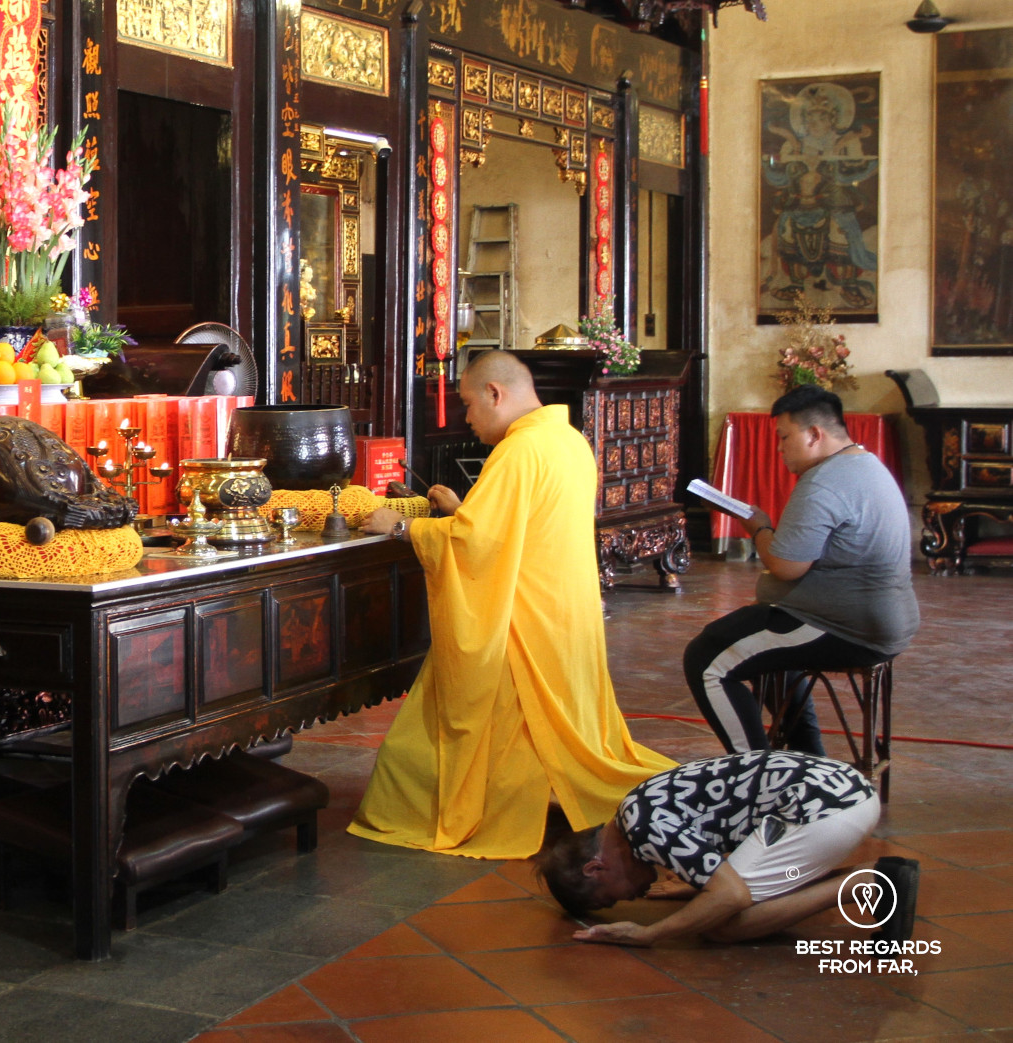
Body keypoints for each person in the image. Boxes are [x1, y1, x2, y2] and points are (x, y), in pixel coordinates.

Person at [350, 351, 673, 859]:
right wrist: (464, 510)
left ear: (495, 394)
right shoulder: (567, 440)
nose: (466, 417)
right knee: (564, 729)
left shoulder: (519, 450)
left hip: (519, 618)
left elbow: (478, 544)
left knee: (446, 734)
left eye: (467, 403)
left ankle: (473, 809)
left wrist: (401, 526)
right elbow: (517, 526)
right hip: (563, 610)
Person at [686, 386, 919, 755]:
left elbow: (786, 566)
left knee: (706, 658)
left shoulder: (824, 481)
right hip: (879, 618)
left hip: (846, 626)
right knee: (759, 642)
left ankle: (754, 772)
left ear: (814, 434)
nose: (779, 449)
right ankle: (808, 758)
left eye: (784, 437)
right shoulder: (866, 464)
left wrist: (758, 526)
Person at [535, 750, 917, 948]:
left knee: (723, 923)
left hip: (824, 810)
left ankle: (873, 882)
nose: (629, 899)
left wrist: (649, 934)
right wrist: (699, 885)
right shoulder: (634, 809)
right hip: (844, 791)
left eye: (609, 899)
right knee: (716, 901)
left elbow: (731, 894)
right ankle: (875, 878)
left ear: (595, 868)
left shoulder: (643, 827)